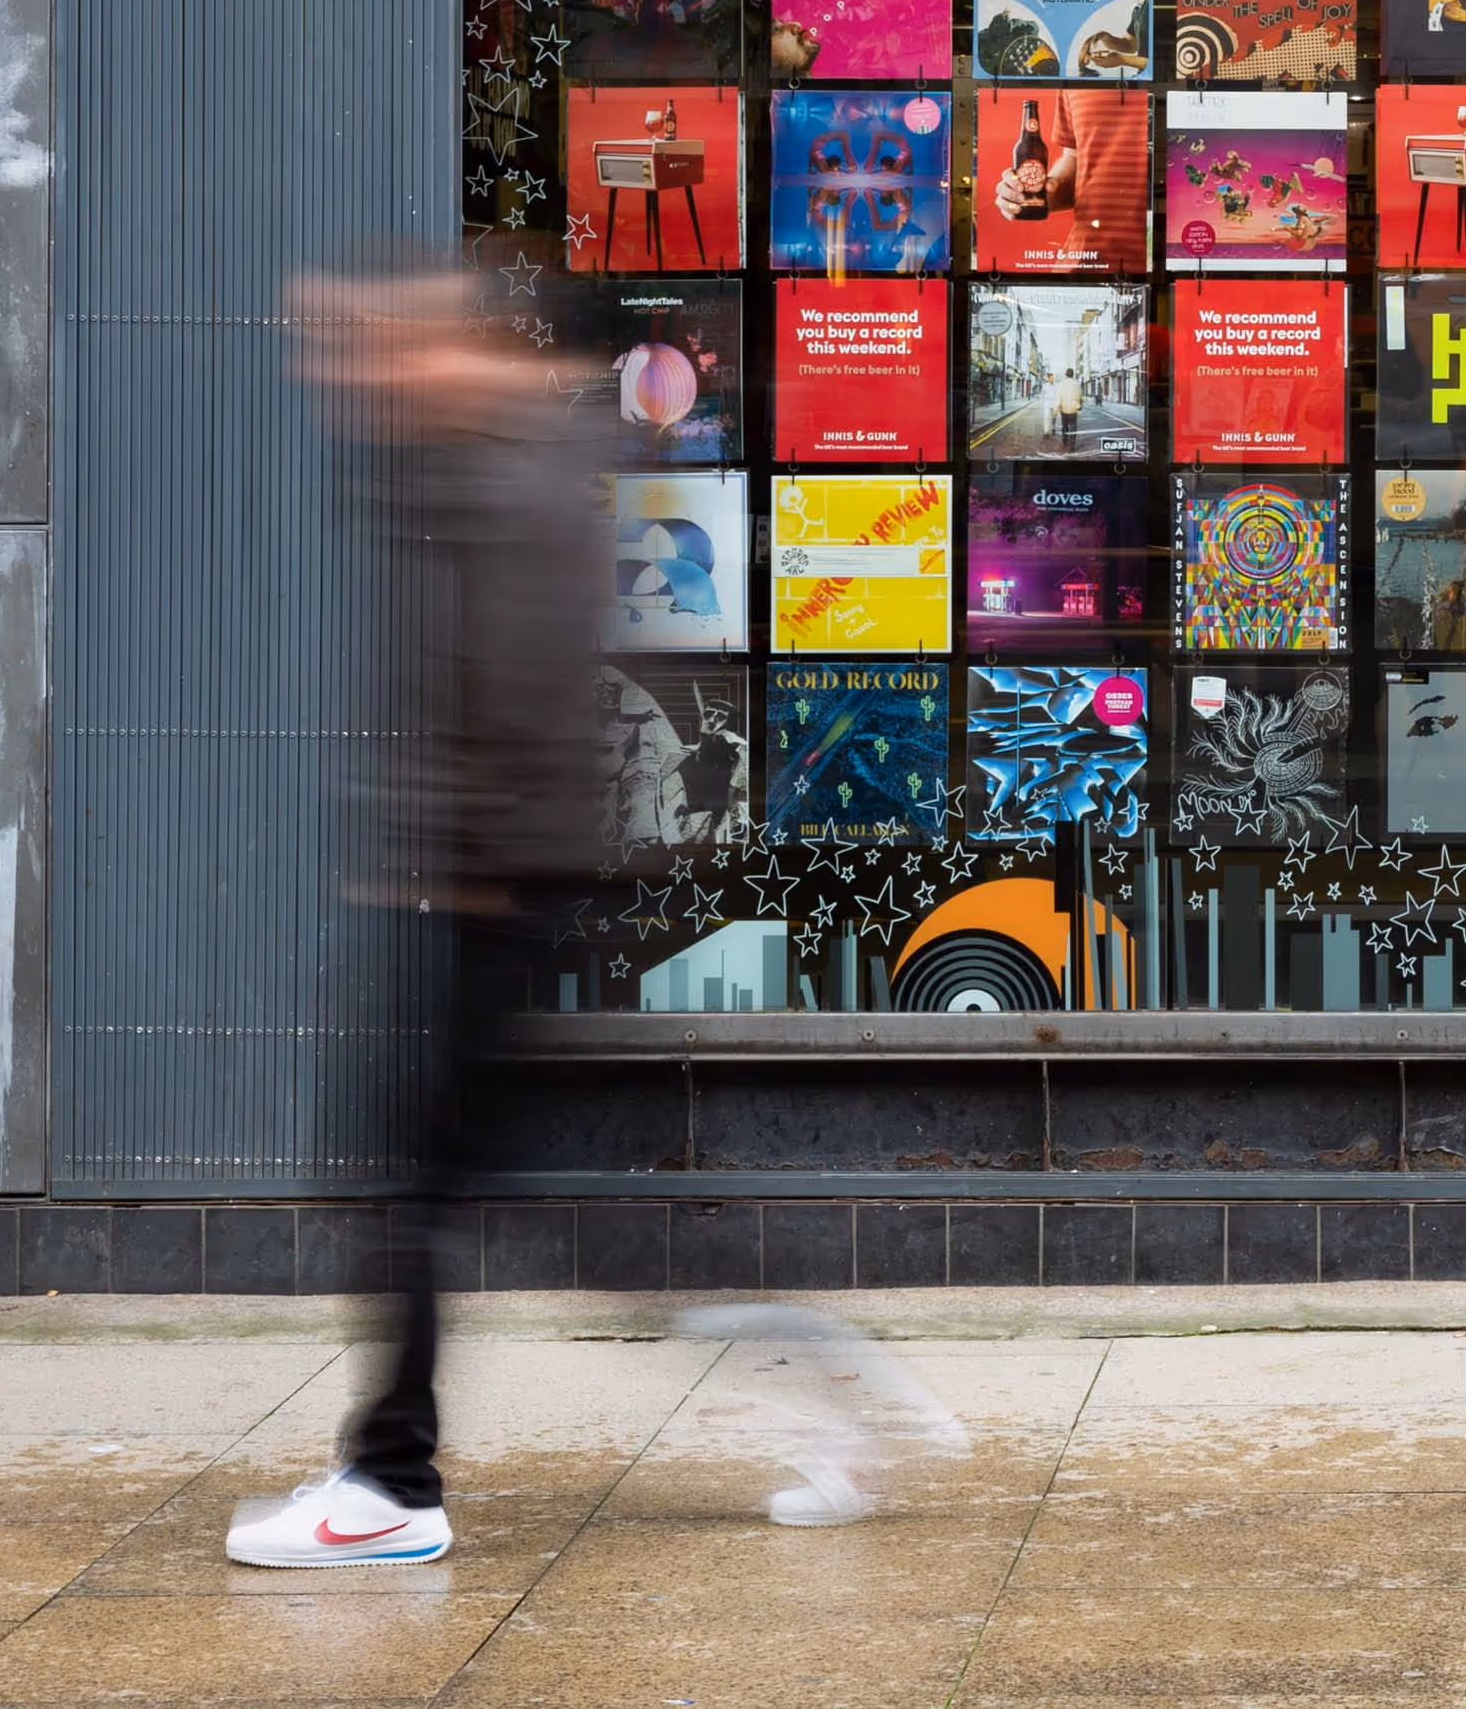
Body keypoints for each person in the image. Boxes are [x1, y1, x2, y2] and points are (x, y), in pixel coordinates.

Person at [231, 262, 954, 1567]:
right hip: (491, 878)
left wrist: (453, 858)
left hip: (487, 888)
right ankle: (818, 1372)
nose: (352, 370)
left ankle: (390, 1483)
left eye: (384, 343)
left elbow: (515, 698)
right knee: (547, 1201)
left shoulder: (502, 478)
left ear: (461, 352)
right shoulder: (485, 464)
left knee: (418, 1187)